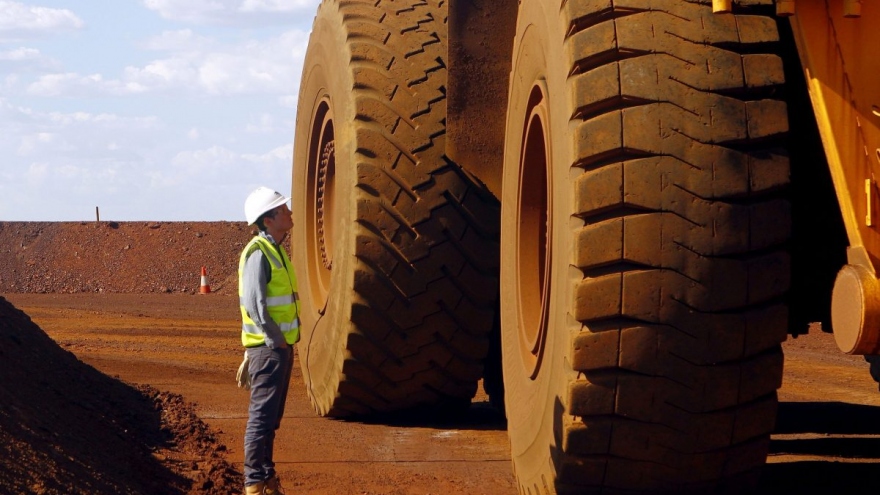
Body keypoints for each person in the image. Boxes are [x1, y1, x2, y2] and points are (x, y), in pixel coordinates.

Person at [238, 186, 300, 495]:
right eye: (283, 209)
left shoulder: (275, 250)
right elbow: (255, 304)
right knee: (261, 420)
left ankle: (266, 478)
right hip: (269, 349)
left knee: (270, 420)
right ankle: (253, 484)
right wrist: (275, 339)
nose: (289, 212)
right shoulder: (258, 253)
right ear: (269, 219)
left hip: (278, 348)